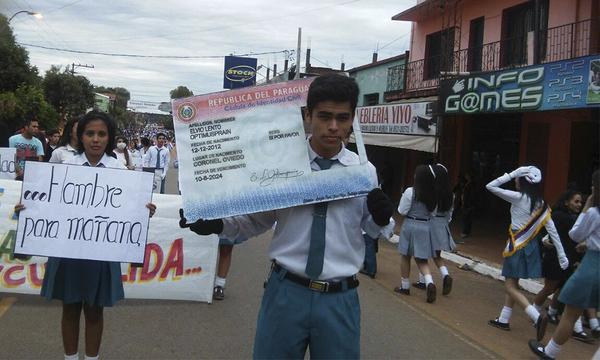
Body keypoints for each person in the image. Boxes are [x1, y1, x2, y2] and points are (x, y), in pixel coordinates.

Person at [179, 74, 394, 359]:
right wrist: (216, 223)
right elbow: (258, 220)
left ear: (353, 118)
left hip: (339, 299)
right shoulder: (280, 165)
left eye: (343, 118)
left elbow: (371, 229)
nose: (333, 126)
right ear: (308, 115)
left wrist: (380, 217)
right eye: (325, 116)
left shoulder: (364, 172)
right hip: (286, 293)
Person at [15, 111, 157, 360]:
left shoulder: (119, 169)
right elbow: (44, 200)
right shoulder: (64, 167)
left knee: (94, 311)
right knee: (69, 309)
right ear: (80, 136)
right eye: (90, 133)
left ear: (109, 138)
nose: (95, 139)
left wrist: (143, 211)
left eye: (101, 134)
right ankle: (70, 358)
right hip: (67, 251)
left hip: (101, 253)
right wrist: (27, 209)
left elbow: (128, 209)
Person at [486, 166, 569, 342]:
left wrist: (511, 173)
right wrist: (562, 254)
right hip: (530, 246)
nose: (515, 179)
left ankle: (536, 316)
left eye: (518, 177)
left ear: (522, 180)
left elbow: (490, 186)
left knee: (509, 286)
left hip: (517, 245)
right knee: (513, 283)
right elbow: (552, 231)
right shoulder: (542, 203)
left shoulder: (518, 197)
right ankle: (504, 319)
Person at [529, 170, 600, 359]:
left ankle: (551, 352)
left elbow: (575, 234)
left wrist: (587, 206)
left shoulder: (594, 212)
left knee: (570, 312)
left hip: (592, 264)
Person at [533, 190, 592, 342]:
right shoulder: (560, 216)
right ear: (566, 202)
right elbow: (577, 228)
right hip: (555, 258)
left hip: (570, 258)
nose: (579, 205)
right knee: (549, 288)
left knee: (562, 287)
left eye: (580, 202)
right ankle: (534, 312)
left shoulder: (573, 217)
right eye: (576, 202)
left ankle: (552, 312)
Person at [394, 164, 438, 303]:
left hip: (410, 224)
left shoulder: (410, 191)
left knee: (406, 256)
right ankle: (429, 281)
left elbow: (402, 211)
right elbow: (433, 213)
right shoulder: (433, 193)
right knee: (421, 258)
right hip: (425, 226)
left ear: (417, 177)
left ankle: (405, 286)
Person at [412, 163, 456, 295]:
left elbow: (429, 210)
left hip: (430, 223)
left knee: (421, 254)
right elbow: (450, 213)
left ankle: (425, 281)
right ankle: (445, 275)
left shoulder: (431, 190)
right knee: (437, 255)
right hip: (442, 223)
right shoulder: (450, 193)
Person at [9, 115, 44, 180]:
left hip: (31, 176)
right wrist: (20, 172)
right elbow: (10, 157)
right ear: (26, 127)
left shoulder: (38, 142)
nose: (36, 129)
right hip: (14, 176)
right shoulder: (13, 139)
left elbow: (39, 159)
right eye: (34, 126)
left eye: (37, 127)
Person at [460, 169, 478, 238]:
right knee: (465, 217)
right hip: (465, 202)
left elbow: (472, 194)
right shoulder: (466, 183)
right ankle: (466, 231)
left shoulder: (472, 185)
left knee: (466, 217)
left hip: (469, 203)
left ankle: (466, 232)